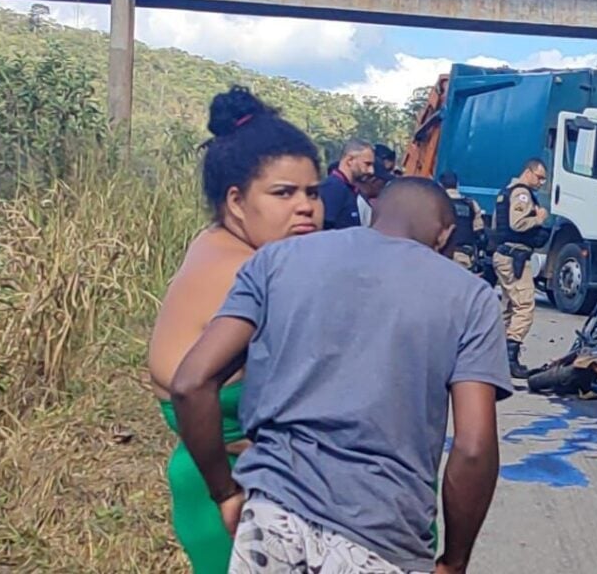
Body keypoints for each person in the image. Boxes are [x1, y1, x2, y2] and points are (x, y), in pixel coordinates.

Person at [170, 177, 511, 574]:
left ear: (376, 213)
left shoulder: (277, 260)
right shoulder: (471, 298)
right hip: (384, 536)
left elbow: (190, 383)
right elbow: (472, 448)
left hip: (274, 517)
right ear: (444, 236)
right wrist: (455, 559)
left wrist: (225, 493)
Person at [146, 86, 322, 573]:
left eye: (312, 191)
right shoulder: (259, 276)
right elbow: (190, 386)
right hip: (237, 492)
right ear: (237, 200)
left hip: (205, 477)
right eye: (283, 193)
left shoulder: (212, 243)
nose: (305, 207)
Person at [492, 158, 549, 378]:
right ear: (528, 172)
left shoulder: (505, 192)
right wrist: (539, 218)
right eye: (539, 176)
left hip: (505, 255)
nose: (542, 182)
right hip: (514, 257)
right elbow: (517, 224)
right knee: (524, 307)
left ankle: (496, 357)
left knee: (509, 309)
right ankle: (508, 359)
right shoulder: (521, 193)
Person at [318, 139, 375, 230]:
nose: (371, 171)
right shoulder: (333, 188)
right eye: (367, 164)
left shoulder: (349, 189)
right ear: (350, 160)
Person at [438, 170, 484, 270]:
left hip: (440, 256)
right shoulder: (471, 204)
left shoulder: (436, 204)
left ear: (440, 185)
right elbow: (480, 234)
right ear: (457, 184)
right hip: (463, 256)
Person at [356, 157, 395, 226]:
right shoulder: (358, 203)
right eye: (383, 181)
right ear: (372, 180)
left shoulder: (359, 200)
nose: (384, 186)